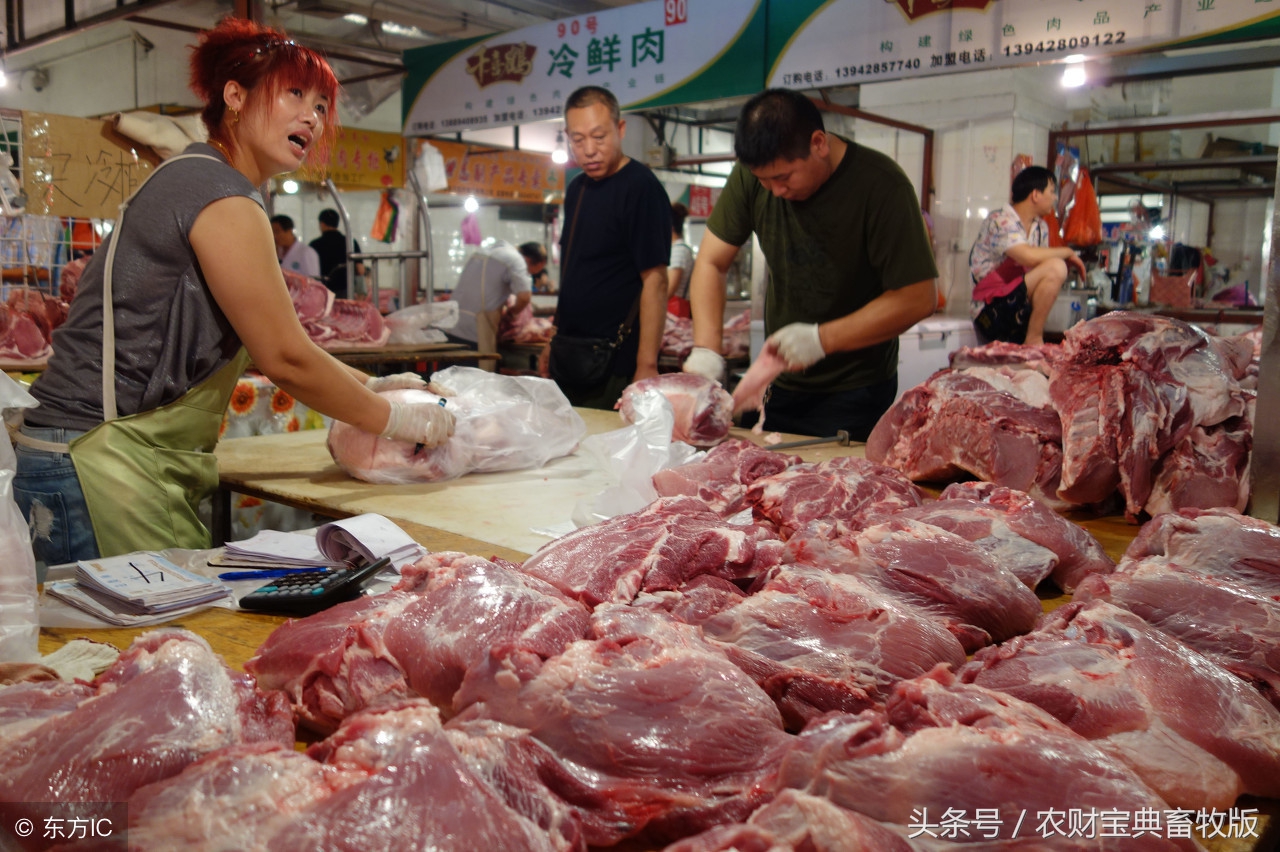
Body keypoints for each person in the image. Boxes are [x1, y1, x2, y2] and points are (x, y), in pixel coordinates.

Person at [13, 18, 454, 564]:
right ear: (235, 97)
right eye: (295, 94)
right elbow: (286, 358)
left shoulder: (200, 177)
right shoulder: (219, 193)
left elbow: (277, 343)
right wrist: (396, 419)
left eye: (320, 106)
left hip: (85, 451)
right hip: (96, 460)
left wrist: (376, 383)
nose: (312, 117)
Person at [682, 88, 938, 440]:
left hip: (855, 389)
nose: (774, 191)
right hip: (779, 380)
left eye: (784, 178)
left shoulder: (882, 186)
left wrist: (823, 339)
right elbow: (712, 261)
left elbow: (918, 297)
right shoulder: (753, 176)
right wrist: (707, 350)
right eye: (763, 181)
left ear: (818, 144)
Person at [538, 85, 670, 409]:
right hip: (569, 352)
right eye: (578, 139)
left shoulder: (641, 187)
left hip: (616, 360)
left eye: (599, 137)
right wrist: (553, 338)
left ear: (620, 129)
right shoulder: (577, 188)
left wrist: (647, 365)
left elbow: (655, 280)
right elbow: (572, 270)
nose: (589, 150)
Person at [969, 165, 1085, 346]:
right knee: (1056, 266)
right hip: (990, 310)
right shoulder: (1000, 220)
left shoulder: (1041, 228)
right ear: (1035, 195)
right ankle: (1034, 339)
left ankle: (1032, 339)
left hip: (1018, 309)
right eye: (1052, 191)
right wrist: (1068, 252)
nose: (1055, 198)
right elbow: (1027, 256)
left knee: (1055, 268)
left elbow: (1040, 271)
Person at [446, 240, 545, 370]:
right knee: (474, 378)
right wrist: (512, 313)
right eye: (532, 272)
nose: (530, 275)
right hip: (476, 332)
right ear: (532, 261)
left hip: (452, 326)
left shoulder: (484, 252)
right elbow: (524, 297)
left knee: (449, 377)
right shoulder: (516, 260)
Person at [309, 207, 363, 298]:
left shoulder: (315, 244)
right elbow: (360, 270)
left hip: (323, 292)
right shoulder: (350, 242)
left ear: (322, 224)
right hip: (346, 291)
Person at [270, 213, 321, 278]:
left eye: (277, 232)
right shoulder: (275, 251)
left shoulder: (306, 252)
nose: (274, 236)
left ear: (289, 230)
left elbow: (313, 280)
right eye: (272, 232)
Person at [666, 201, 695, 318]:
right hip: (676, 310)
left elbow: (670, 289)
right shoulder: (677, 249)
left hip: (675, 312)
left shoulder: (679, 250)